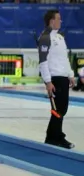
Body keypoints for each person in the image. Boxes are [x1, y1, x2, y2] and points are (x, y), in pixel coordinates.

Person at [37, 9, 75, 149]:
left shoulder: (60, 37)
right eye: (59, 19)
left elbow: (64, 59)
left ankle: (53, 136)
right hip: (55, 78)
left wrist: (70, 74)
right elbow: (42, 61)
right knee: (58, 110)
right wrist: (48, 81)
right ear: (51, 21)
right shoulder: (45, 37)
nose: (61, 21)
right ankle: (56, 137)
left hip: (63, 77)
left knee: (62, 109)